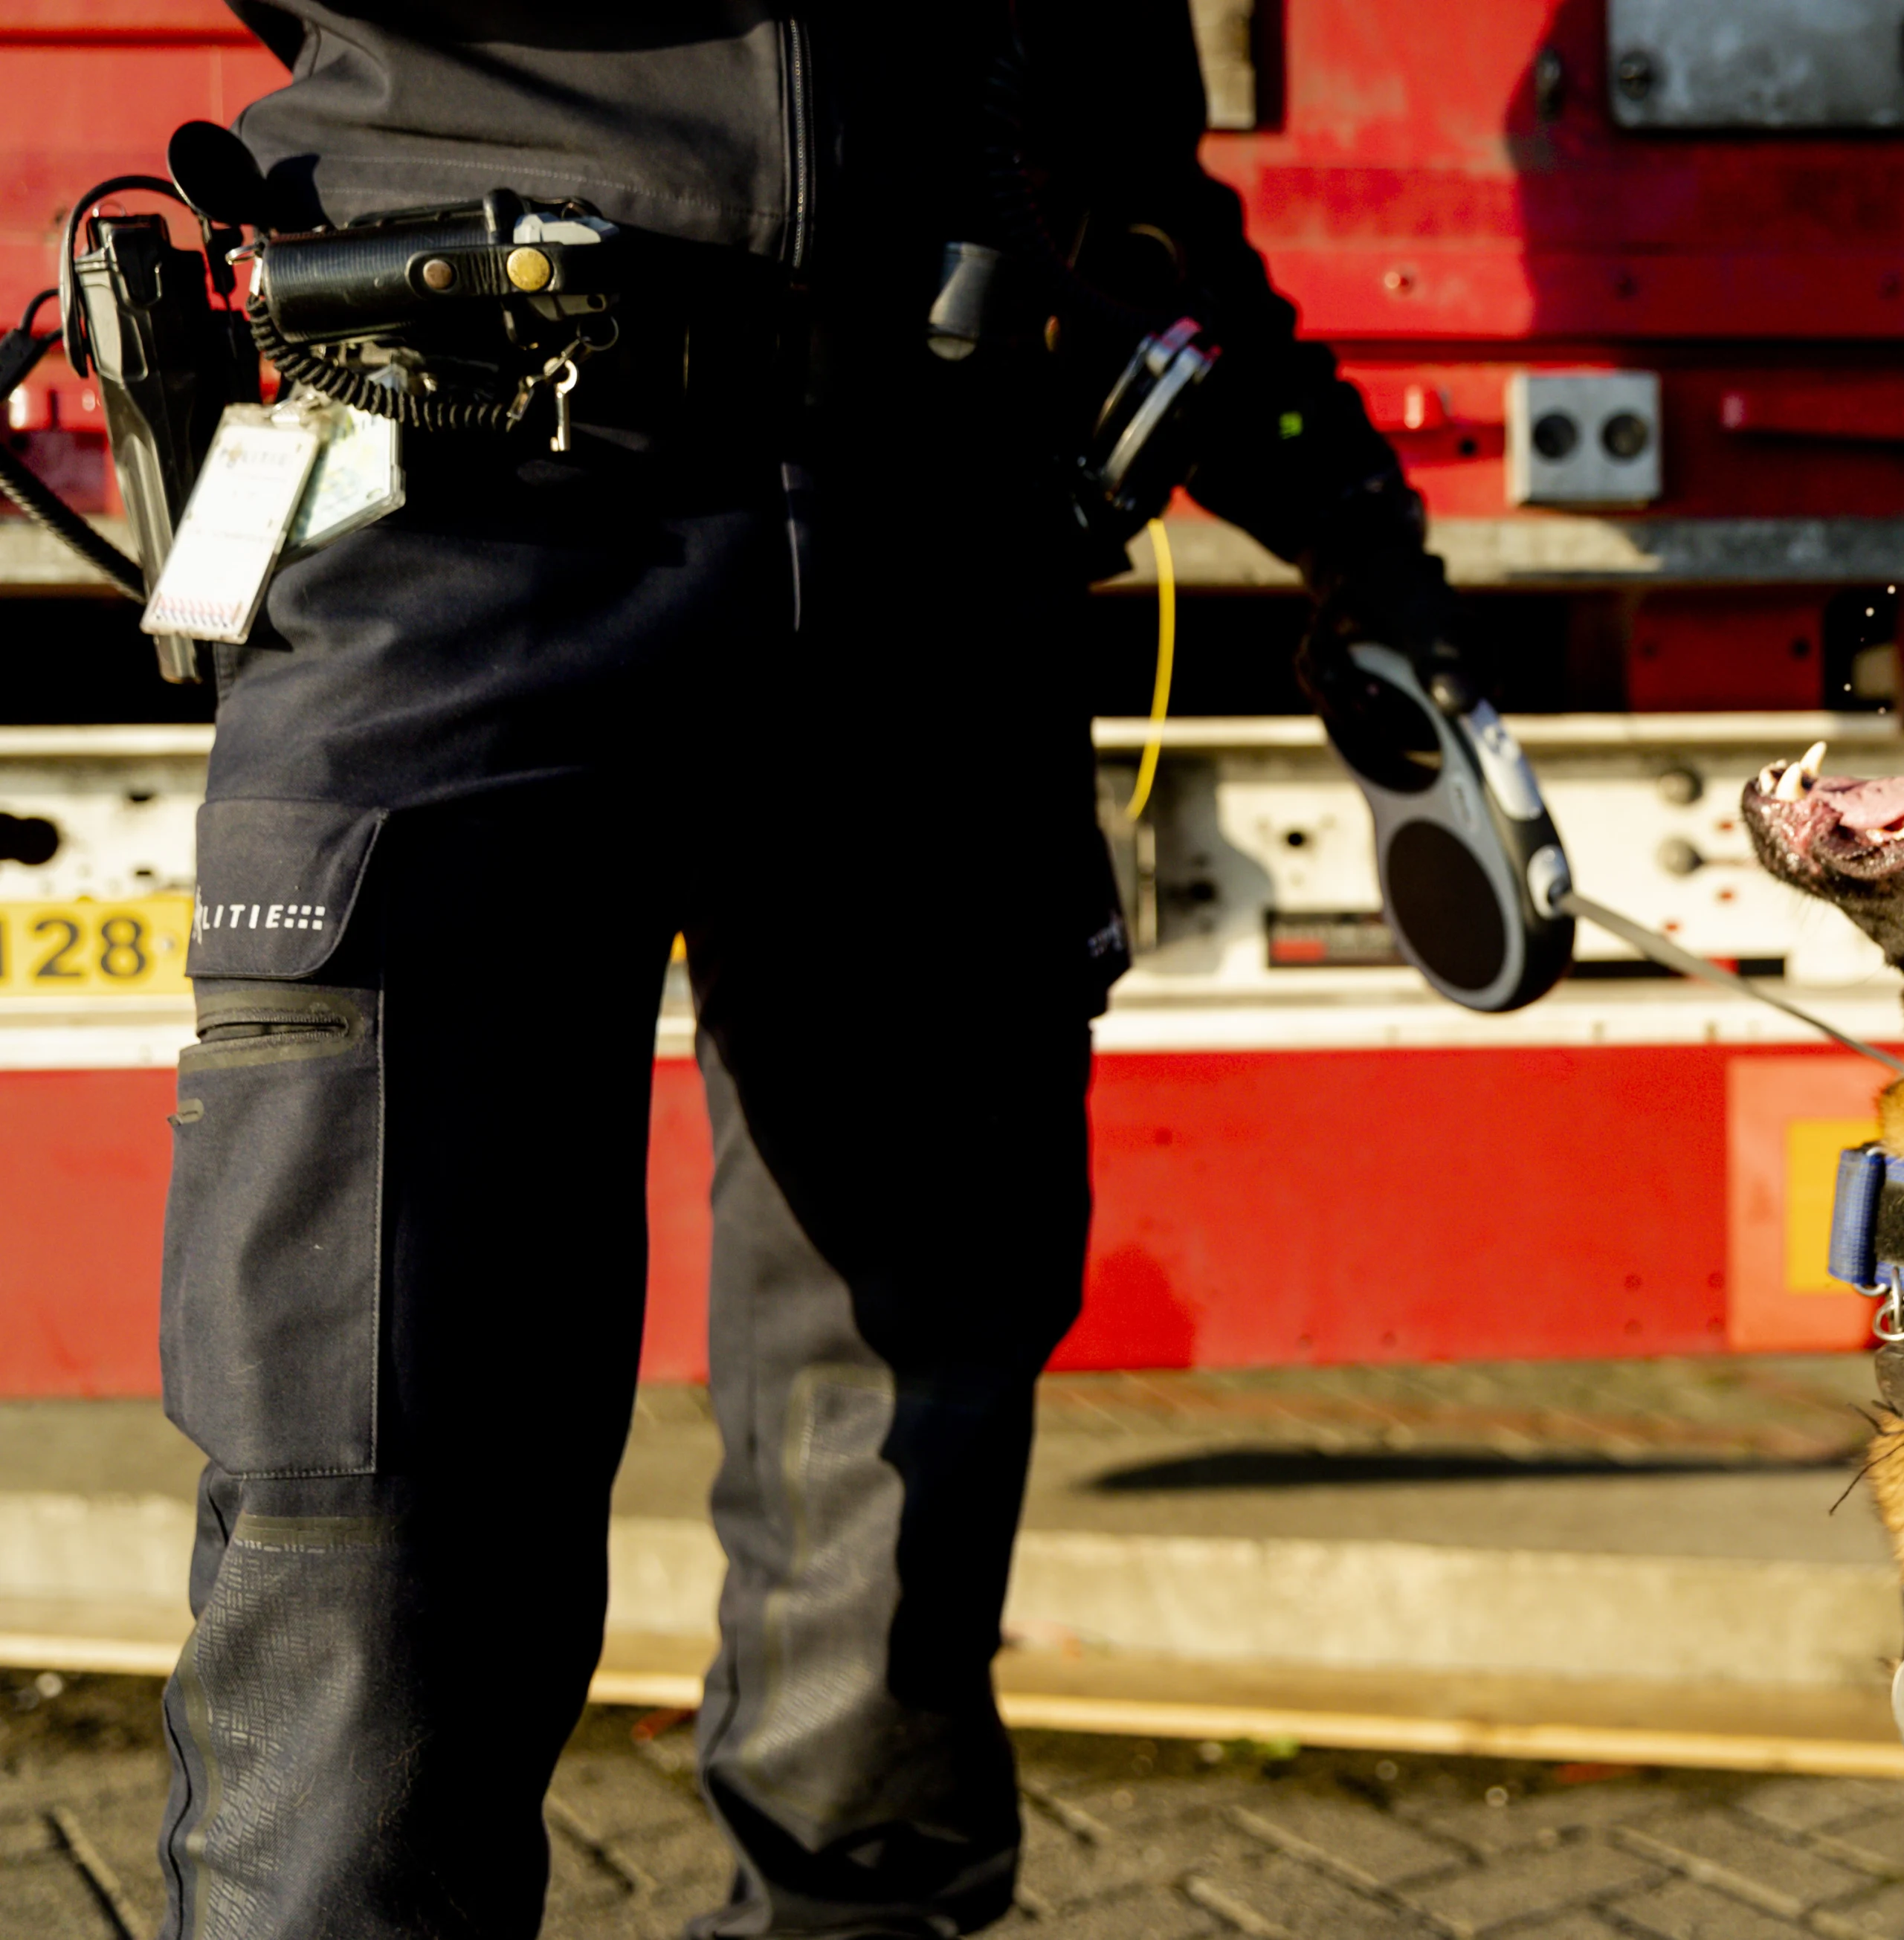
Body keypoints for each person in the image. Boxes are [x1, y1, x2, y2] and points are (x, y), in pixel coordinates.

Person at [158, 5, 1456, 1934]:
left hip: (934, 539)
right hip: (466, 496)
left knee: (908, 1448)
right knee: (381, 1478)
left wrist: (1359, 532)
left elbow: (1124, 185)